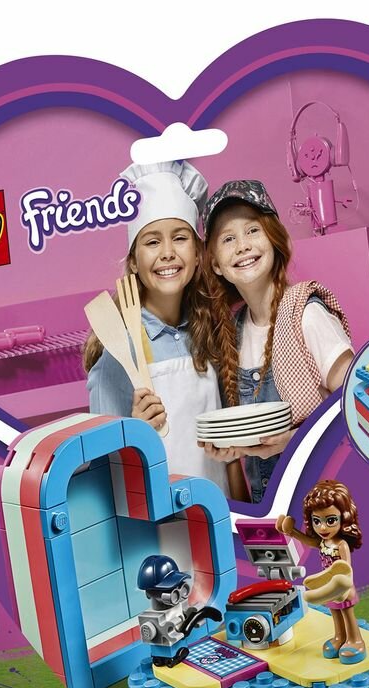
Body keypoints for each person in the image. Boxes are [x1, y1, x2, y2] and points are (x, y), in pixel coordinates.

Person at [84, 161, 245, 497]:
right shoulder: (118, 351)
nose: (168, 253)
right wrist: (134, 434)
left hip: (217, 509)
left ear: (198, 253)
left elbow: (229, 457)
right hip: (159, 522)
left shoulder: (210, 331)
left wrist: (244, 516)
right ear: (133, 260)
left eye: (180, 238)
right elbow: (103, 476)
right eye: (152, 242)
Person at [192, 180, 353, 502]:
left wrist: (292, 440)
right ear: (216, 264)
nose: (242, 246)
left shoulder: (306, 314)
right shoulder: (233, 335)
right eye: (228, 239)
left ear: (274, 239)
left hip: (324, 506)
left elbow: (359, 407)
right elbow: (250, 439)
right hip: (270, 510)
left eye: (252, 230)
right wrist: (232, 448)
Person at [276, 480, 366, 664]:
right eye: (317, 521)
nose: (323, 528)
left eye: (330, 520)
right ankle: (340, 637)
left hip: (342, 586)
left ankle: (355, 640)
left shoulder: (341, 544)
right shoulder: (324, 542)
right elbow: (309, 542)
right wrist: (292, 532)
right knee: (334, 612)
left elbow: (346, 568)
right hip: (327, 586)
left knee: (347, 613)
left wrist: (343, 586)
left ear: (344, 518)